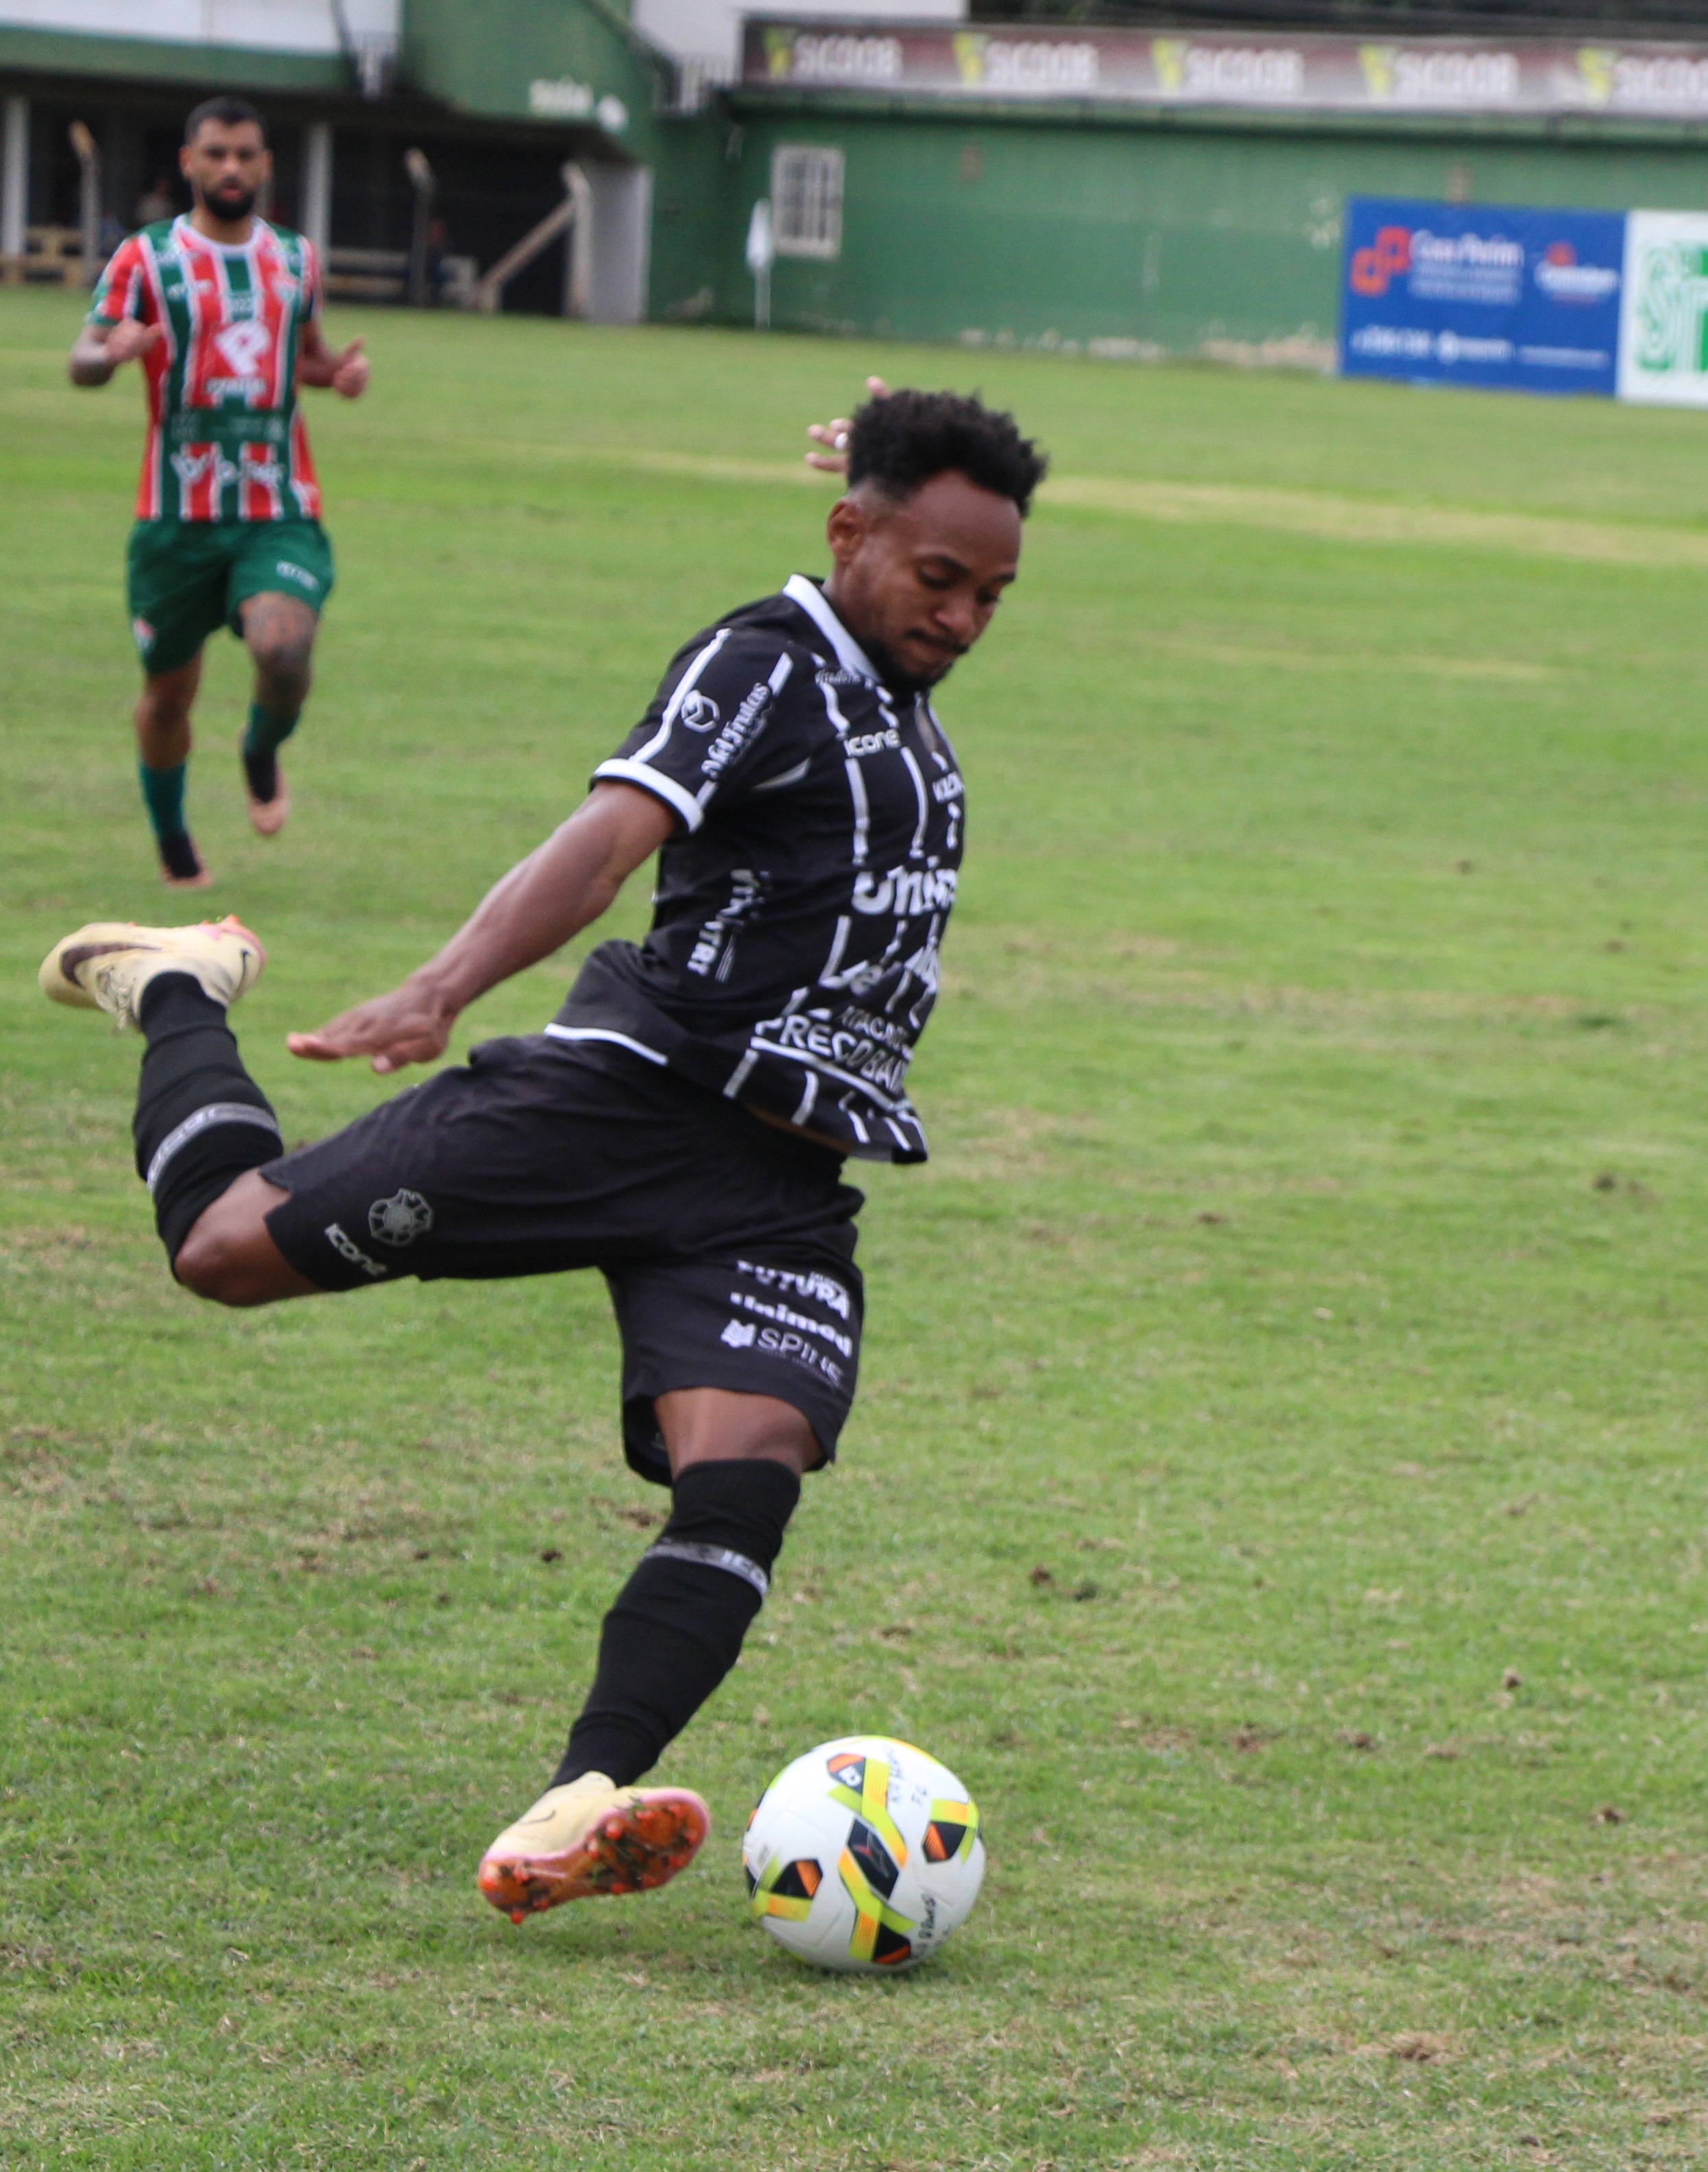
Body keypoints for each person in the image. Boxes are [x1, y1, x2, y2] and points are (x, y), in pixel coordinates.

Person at [34, 388, 1044, 1921]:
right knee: (223, 1252)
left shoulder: (896, 693)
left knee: (747, 1472)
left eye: (990, 593)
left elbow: (904, 534)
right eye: (939, 581)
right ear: (850, 539)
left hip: (773, 1186)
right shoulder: (756, 663)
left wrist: (887, 461)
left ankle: (581, 1798)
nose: (965, 617)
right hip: (623, 1103)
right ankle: (174, 981)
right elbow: (610, 837)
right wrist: (444, 989)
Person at [69, 96, 370, 889]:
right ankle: (173, 841)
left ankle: (260, 750)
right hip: (175, 520)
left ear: (266, 165)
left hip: (277, 507)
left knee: (284, 648)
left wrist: (335, 373)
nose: (230, 168)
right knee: (168, 698)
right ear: (189, 162)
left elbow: (300, 356)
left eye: (244, 154)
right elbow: (82, 357)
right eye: (216, 154)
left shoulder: (296, 261)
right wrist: (111, 353)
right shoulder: (145, 258)